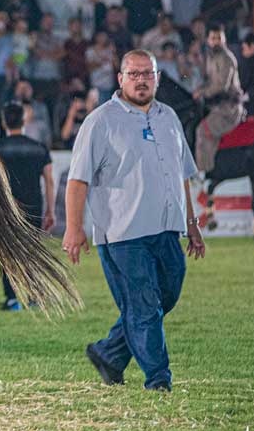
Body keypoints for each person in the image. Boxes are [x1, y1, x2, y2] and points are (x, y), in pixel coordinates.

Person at [64, 49, 205, 393]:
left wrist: (191, 221)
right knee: (143, 307)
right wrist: (73, 226)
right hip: (123, 235)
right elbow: (78, 179)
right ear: (121, 79)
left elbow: (182, 174)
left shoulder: (169, 117)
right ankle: (159, 380)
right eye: (134, 74)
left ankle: (109, 353)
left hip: (167, 231)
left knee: (166, 297)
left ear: (157, 78)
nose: (141, 80)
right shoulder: (101, 120)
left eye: (148, 74)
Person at [0, 101, 54, 310]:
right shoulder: (39, 149)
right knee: (32, 252)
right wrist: (51, 210)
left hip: (6, 209)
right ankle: (34, 295)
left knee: (7, 253)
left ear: (3, 122)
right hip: (34, 207)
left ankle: (12, 298)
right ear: (24, 119)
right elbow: (49, 180)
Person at [196, 25, 245, 175]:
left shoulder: (227, 58)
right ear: (208, 40)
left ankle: (204, 172)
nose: (216, 41)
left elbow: (220, 86)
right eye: (213, 38)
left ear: (224, 39)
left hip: (229, 109)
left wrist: (201, 92)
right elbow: (209, 81)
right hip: (218, 106)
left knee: (202, 130)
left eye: (219, 38)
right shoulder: (211, 57)